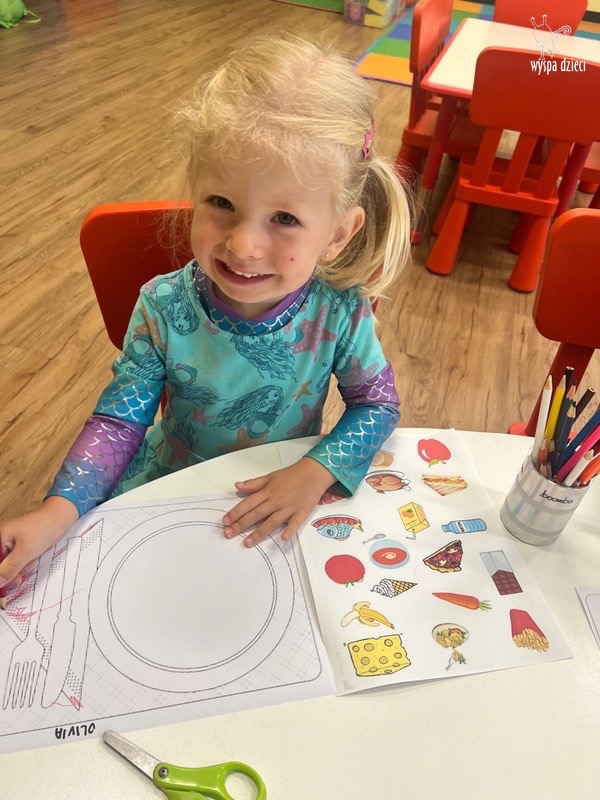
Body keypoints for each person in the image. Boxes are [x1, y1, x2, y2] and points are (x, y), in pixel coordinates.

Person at [0, 33, 411, 595]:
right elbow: (120, 421)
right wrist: (56, 511)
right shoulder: (162, 305)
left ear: (339, 233)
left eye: (284, 219)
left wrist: (315, 471)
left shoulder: (340, 311)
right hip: (169, 480)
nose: (243, 246)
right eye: (222, 204)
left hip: (282, 487)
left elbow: (377, 404)